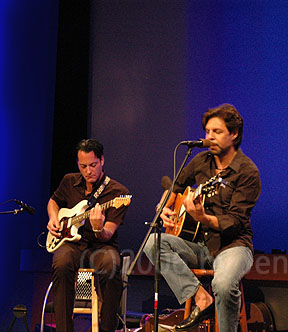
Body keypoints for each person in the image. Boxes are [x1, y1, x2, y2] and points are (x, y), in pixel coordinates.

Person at [143, 104, 261, 332]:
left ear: (234, 134)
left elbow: (234, 223)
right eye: (208, 132)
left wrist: (202, 217)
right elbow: (174, 187)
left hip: (233, 246)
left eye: (217, 132)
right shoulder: (201, 161)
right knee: (153, 243)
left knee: (224, 284)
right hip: (199, 245)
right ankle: (200, 298)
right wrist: (163, 207)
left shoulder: (247, 172)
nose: (209, 137)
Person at [46, 138, 130, 332]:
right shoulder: (69, 181)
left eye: (93, 165)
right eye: (83, 166)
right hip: (72, 244)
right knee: (61, 263)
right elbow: (53, 201)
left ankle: (107, 328)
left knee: (111, 264)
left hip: (101, 245)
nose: (88, 171)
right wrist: (53, 217)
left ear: (102, 161)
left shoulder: (118, 193)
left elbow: (108, 233)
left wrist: (98, 227)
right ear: (78, 164)